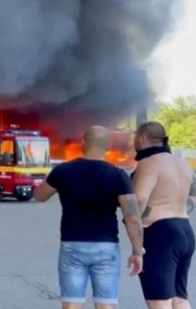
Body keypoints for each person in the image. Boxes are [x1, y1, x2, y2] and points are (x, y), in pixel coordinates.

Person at [34, 125, 144, 309]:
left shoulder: (63, 170)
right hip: (106, 246)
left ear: (83, 143)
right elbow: (132, 216)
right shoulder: (117, 175)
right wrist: (137, 251)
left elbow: (39, 196)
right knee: (105, 305)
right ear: (108, 146)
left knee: (71, 303)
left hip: (72, 244)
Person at [131, 121, 196, 309]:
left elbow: (139, 199)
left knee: (159, 301)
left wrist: (140, 221)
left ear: (142, 138)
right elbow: (193, 194)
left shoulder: (148, 163)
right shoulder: (182, 164)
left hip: (160, 234)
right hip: (184, 229)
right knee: (179, 298)